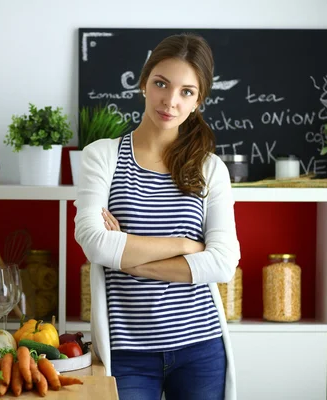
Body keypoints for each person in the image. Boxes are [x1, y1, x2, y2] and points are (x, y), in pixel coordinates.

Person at [74, 33, 240, 400]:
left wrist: (129, 261)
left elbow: (223, 263)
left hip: (201, 347)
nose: (170, 101)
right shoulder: (102, 156)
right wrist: (184, 246)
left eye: (186, 92)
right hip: (129, 351)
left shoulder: (210, 169)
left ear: (199, 101)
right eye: (161, 84)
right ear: (143, 84)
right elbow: (95, 242)